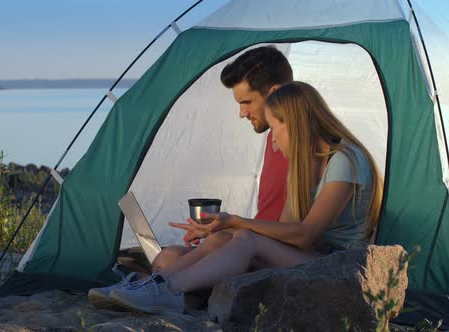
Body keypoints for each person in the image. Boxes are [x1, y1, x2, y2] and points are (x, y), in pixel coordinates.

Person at [106, 81, 384, 315]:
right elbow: (284, 233)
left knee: (245, 239)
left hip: (341, 267)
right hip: (310, 258)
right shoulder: (306, 166)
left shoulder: (346, 160)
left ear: (295, 125)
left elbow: (304, 236)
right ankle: (155, 285)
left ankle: (170, 291)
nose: (274, 141)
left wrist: (237, 222)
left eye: (275, 129)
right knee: (212, 243)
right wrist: (224, 228)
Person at [88, 46, 292, 309]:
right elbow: (268, 221)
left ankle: (156, 289)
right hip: (252, 243)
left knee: (193, 253)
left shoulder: (298, 144)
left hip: (265, 251)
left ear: (274, 93)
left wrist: (230, 227)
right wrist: (220, 226)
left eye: (246, 102)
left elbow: (293, 230)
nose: (242, 113)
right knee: (168, 256)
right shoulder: (273, 138)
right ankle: (158, 290)